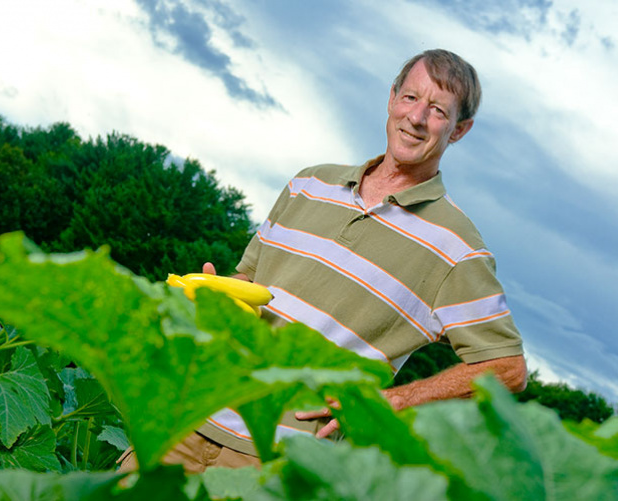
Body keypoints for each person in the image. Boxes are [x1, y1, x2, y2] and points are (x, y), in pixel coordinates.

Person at [118, 48, 527, 473]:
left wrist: (396, 399)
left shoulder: (457, 247)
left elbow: (507, 368)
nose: (417, 118)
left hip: (280, 463)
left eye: (438, 109)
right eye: (410, 98)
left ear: (459, 130)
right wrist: (215, 297)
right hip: (186, 416)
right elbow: (249, 281)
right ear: (391, 98)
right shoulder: (309, 183)